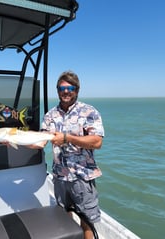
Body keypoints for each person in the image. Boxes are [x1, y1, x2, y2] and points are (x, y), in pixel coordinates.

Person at [38, 71, 105, 239]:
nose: (66, 91)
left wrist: (67, 138)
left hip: (82, 176)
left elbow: (97, 142)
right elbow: (40, 142)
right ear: (57, 90)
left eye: (70, 88)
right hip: (60, 176)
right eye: (62, 87)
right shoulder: (50, 115)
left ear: (77, 90)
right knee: (63, 217)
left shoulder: (89, 112)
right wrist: (12, 140)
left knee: (87, 220)